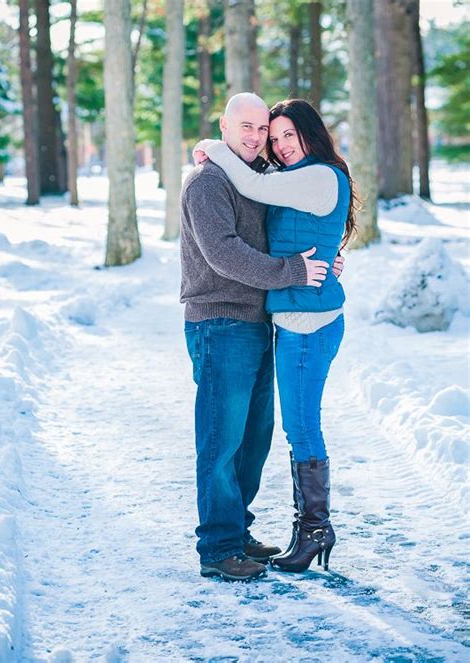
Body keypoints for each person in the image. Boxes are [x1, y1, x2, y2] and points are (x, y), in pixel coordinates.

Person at [180, 93, 344, 582]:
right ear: (226, 127)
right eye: (247, 128)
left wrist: (327, 259)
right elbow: (224, 254)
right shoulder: (208, 182)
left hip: (257, 321)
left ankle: (237, 528)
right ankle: (218, 547)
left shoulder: (257, 178)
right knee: (221, 440)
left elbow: (292, 228)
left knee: (254, 439)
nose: (257, 139)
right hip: (219, 320)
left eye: (265, 131)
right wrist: (294, 270)